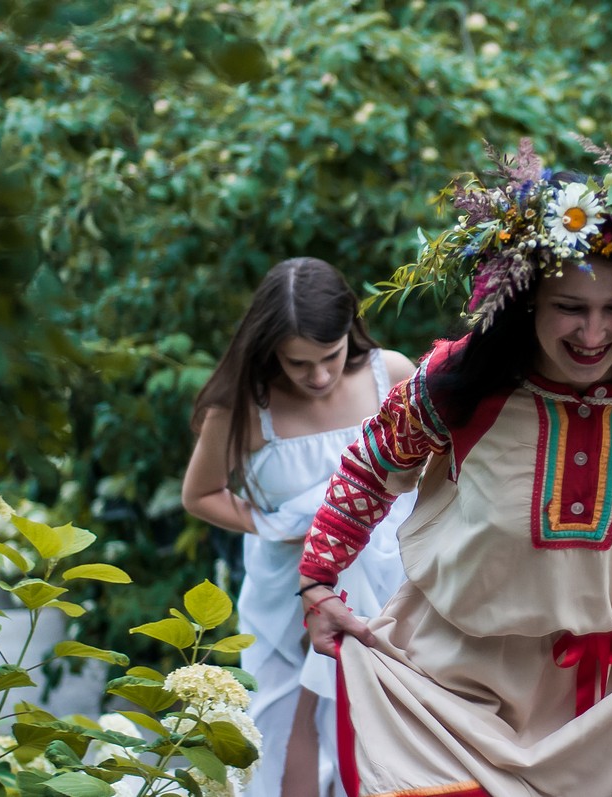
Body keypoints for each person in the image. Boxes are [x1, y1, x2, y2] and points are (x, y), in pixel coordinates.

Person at [296, 142, 612, 797]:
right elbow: (369, 472)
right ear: (525, 303)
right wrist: (317, 585)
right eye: (570, 308)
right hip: (456, 690)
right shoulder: (459, 384)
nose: (593, 333)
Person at [182, 257, 417, 797]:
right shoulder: (246, 406)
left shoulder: (392, 374)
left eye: (330, 357)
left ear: (349, 331)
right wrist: (278, 526)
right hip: (288, 584)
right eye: (298, 363)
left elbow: (429, 469)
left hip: (387, 571)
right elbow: (200, 495)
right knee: (285, 722)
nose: (317, 376)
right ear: (270, 352)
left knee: (384, 720)